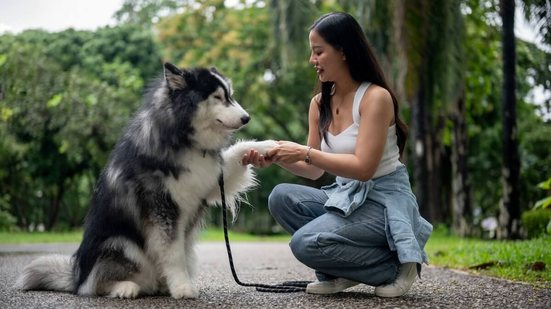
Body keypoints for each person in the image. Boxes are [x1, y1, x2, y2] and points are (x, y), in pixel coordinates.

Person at [242, 12, 432, 297]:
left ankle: (395, 266)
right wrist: (281, 157)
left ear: (343, 51)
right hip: (347, 196)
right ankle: (338, 271)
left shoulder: (375, 98)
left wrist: (303, 152)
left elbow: (364, 168)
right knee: (281, 197)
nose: (312, 60)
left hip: (384, 201)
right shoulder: (319, 104)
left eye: (318, 52)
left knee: (304, 243)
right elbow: (315, 170)